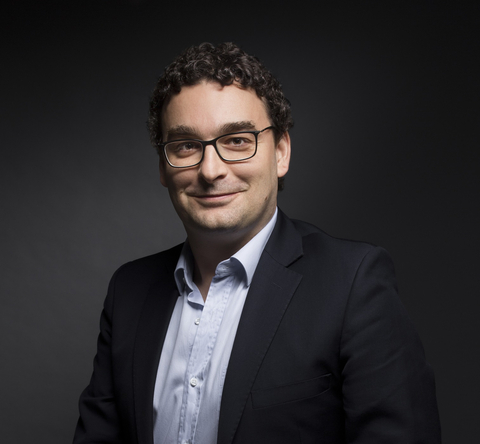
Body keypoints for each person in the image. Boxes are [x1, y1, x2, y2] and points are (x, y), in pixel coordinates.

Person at [73, 42, 441, 444]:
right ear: (163, 166)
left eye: (237, 140)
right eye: (186, 146)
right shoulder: (129, 292)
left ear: (281, 153)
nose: (210, 170)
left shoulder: (352, 285)